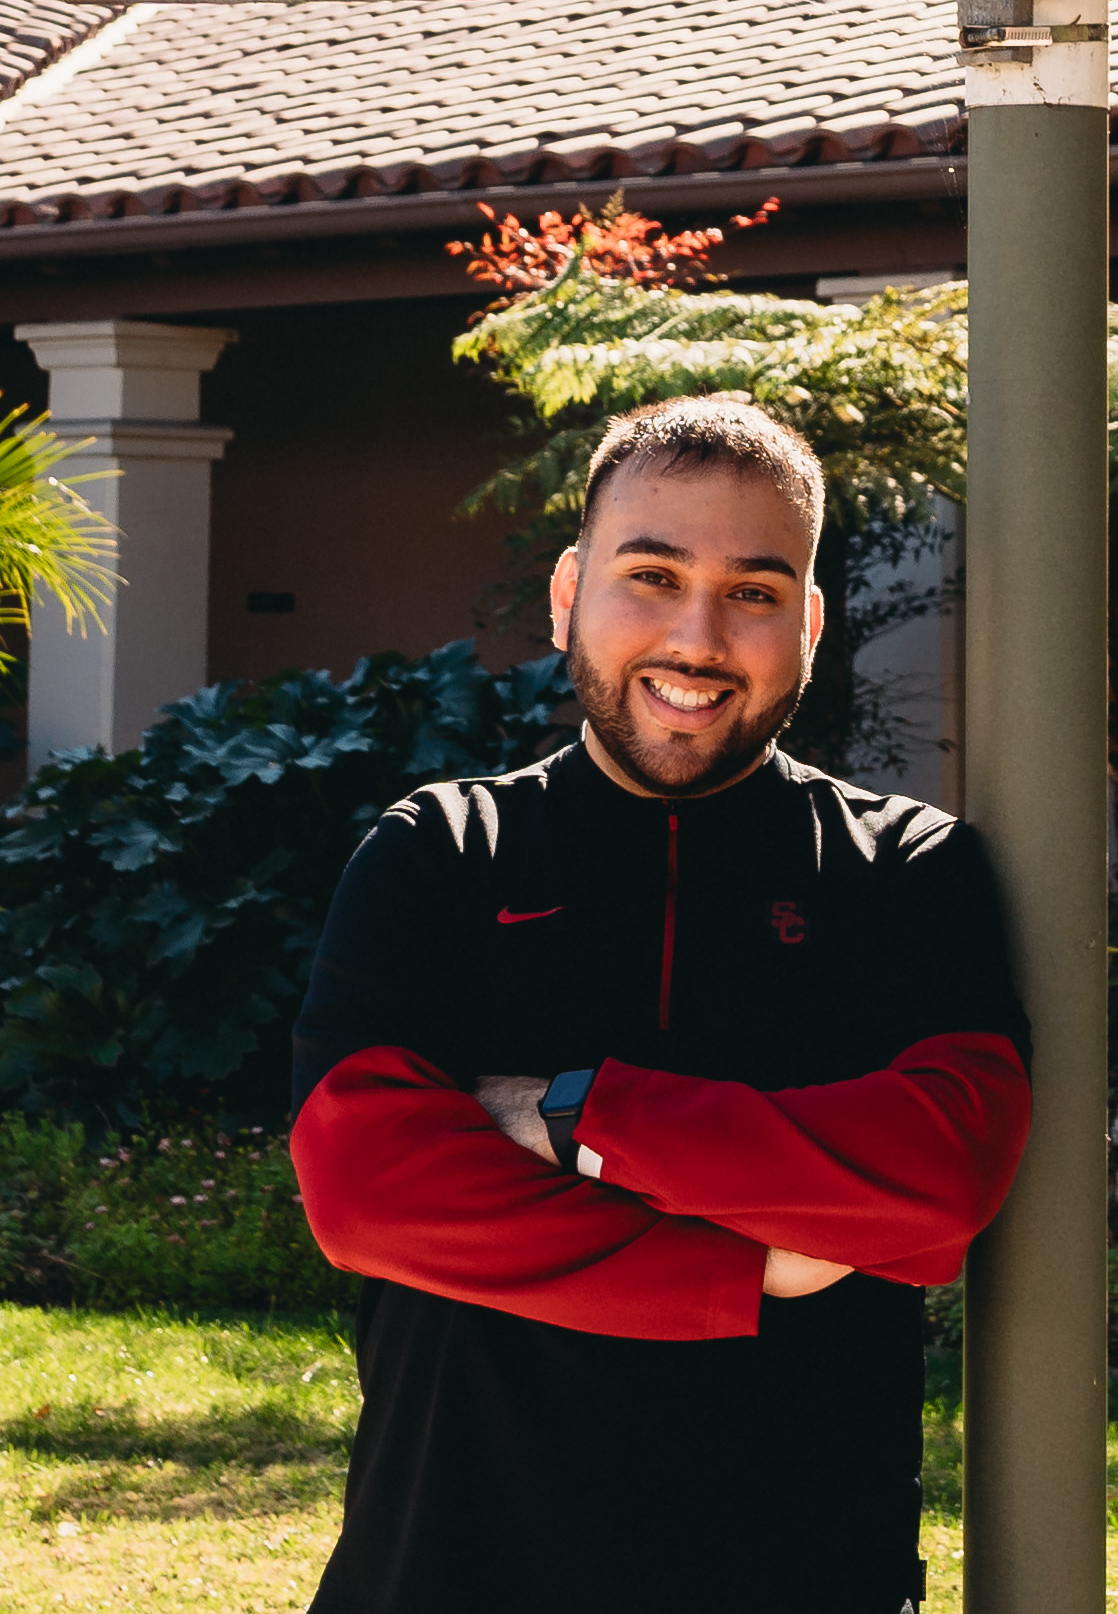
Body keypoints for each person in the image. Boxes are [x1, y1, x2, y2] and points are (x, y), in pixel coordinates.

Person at [286, 391, 1029, 1613]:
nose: (697, 636)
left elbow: (943, 1170)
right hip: (447, 1575)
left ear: (809, 624)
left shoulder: (905, 870)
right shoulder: (445, 852)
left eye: (753, 590)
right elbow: (366, 1185)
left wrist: (576, 1116)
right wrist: (752, 1269)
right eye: (652, 574)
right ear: (569, 592)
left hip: (802, 1581)